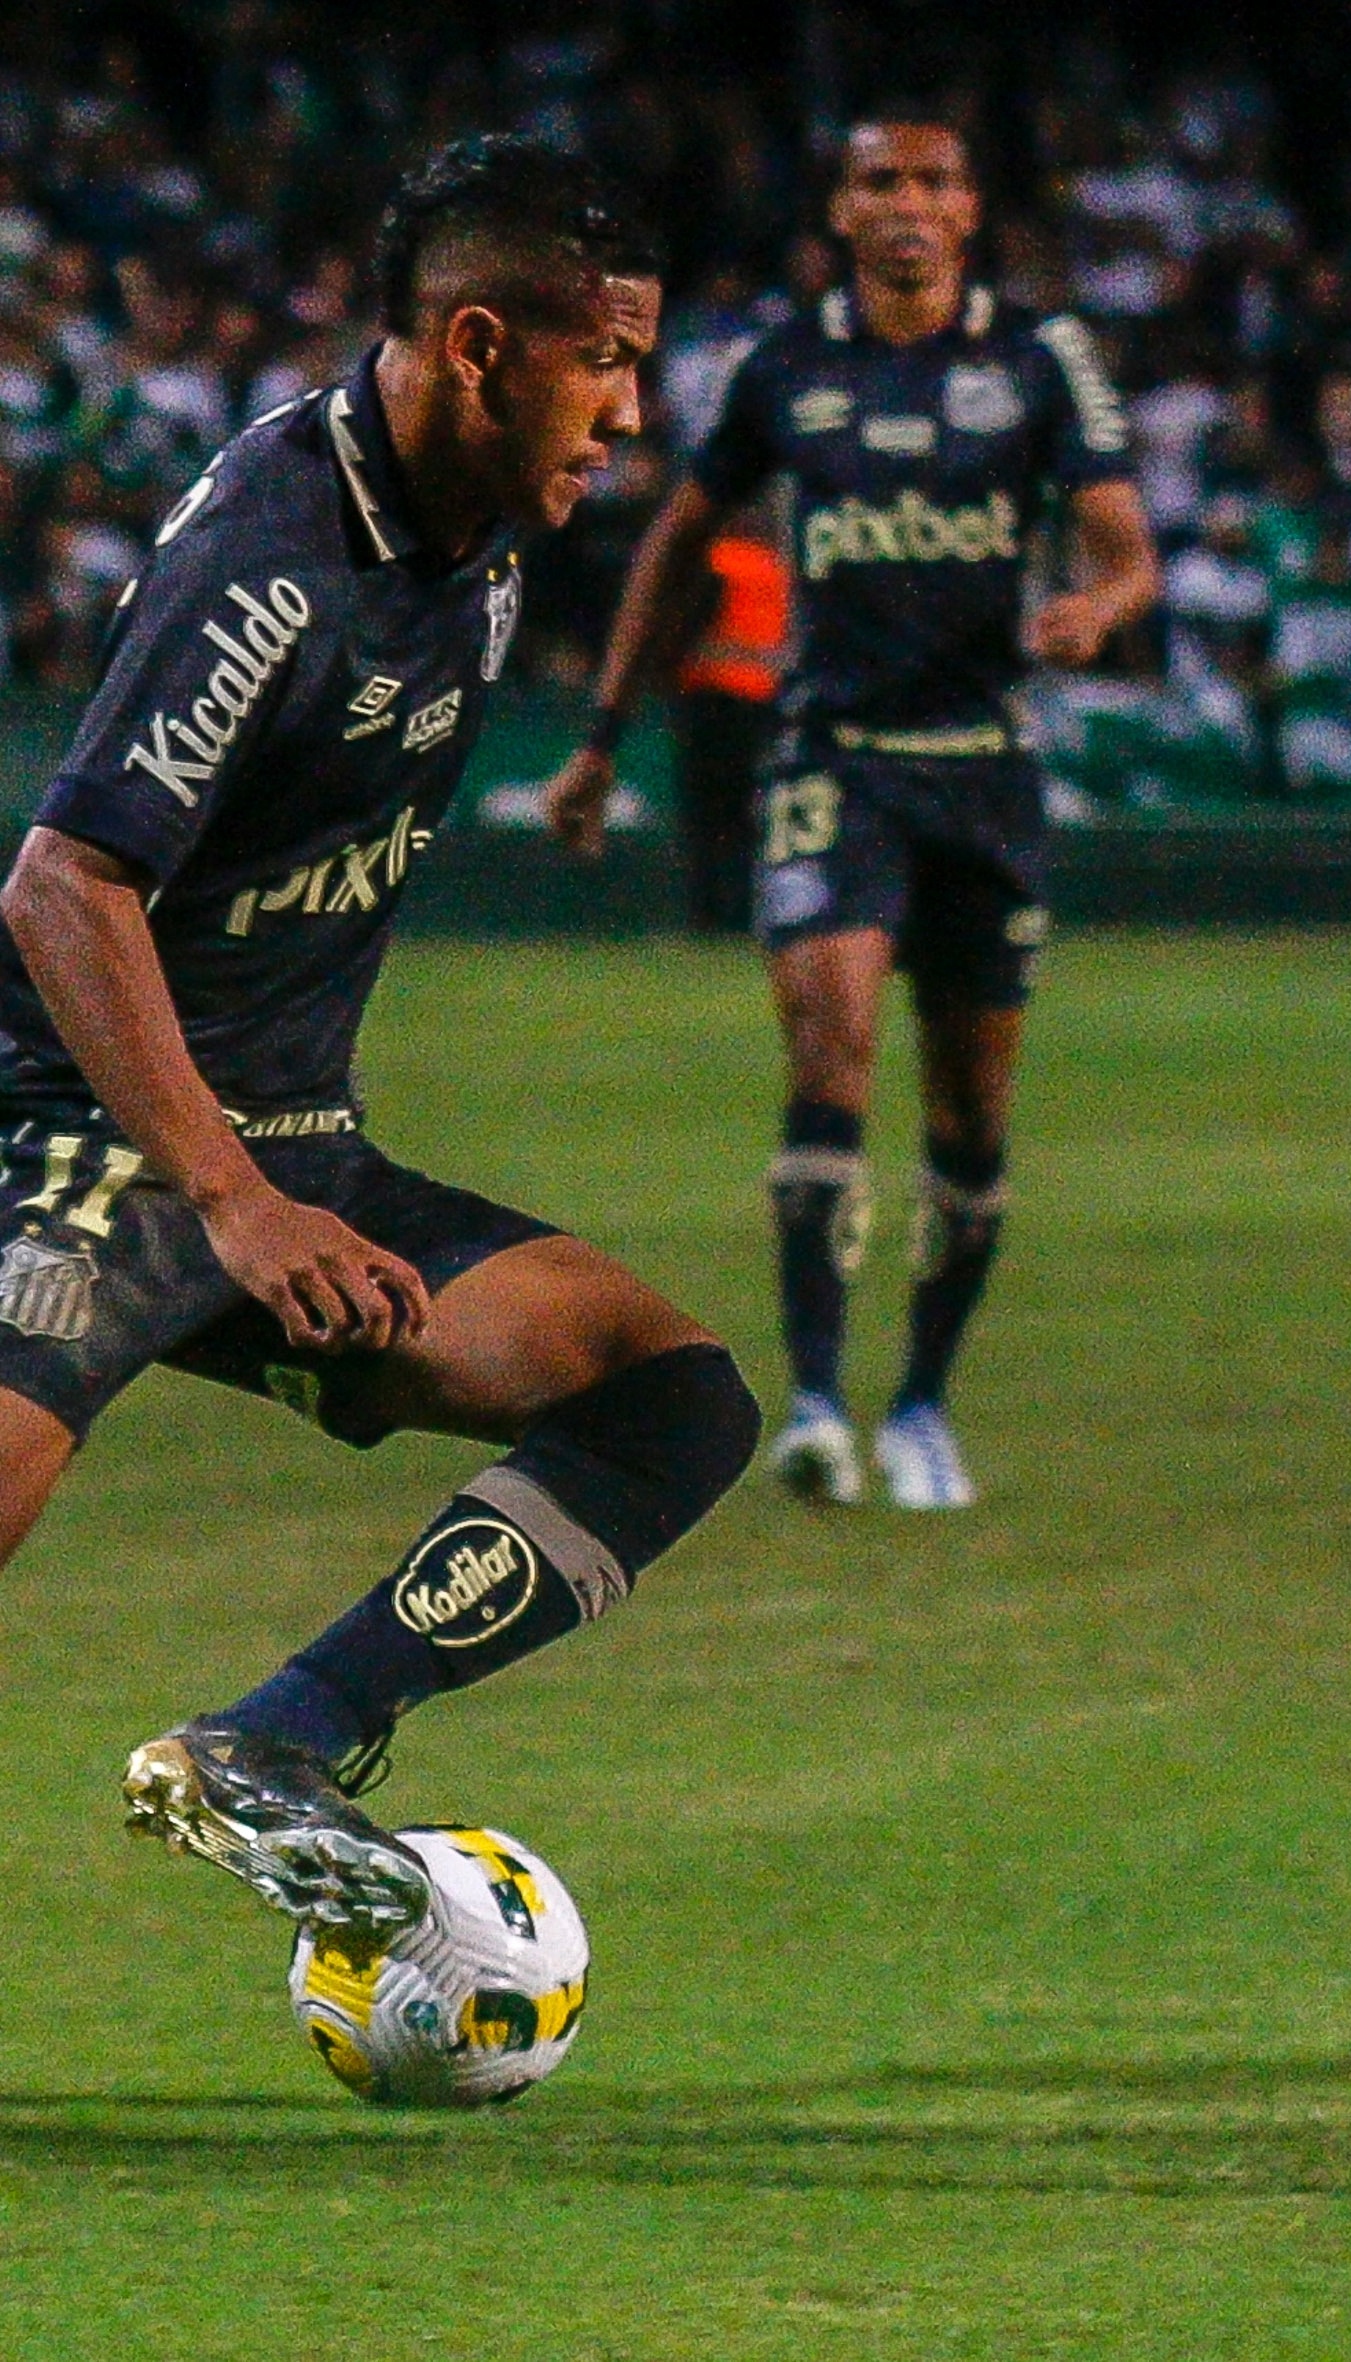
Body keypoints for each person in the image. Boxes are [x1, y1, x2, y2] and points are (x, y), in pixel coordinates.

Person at [0, 135, 760, 1942]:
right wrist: (231, 1198)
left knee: (666, 1393)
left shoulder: (474, 545)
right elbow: (60, 888)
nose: (630, 416)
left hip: (285, 1149)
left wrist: (276, 1183)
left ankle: (276, 1742)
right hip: (89, 1143)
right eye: (609, 363)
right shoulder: (271, 558)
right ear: (483, 345)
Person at [548, 105, 1159, 1509]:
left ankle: (926, 1401)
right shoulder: (784, 366)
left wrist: (1093, 607)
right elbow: (678, 544)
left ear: (968, 207)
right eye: (878, 180)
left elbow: (1131, 553)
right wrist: (599, 739)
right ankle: (817, 1401)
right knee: (830, 1053)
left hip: (986, 766)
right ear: (838, 211)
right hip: (833, 757)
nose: (905, 202)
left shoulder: (1039, 358)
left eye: (932, 180)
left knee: (970, 1112)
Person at [670, 510, 790, 932]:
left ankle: (708, 916)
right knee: (747, 817)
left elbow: (689, 624)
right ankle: (745, 916)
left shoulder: (718, 561)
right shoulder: (774, 568)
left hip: (712, 698)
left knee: (707, 816)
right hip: (762, 700)